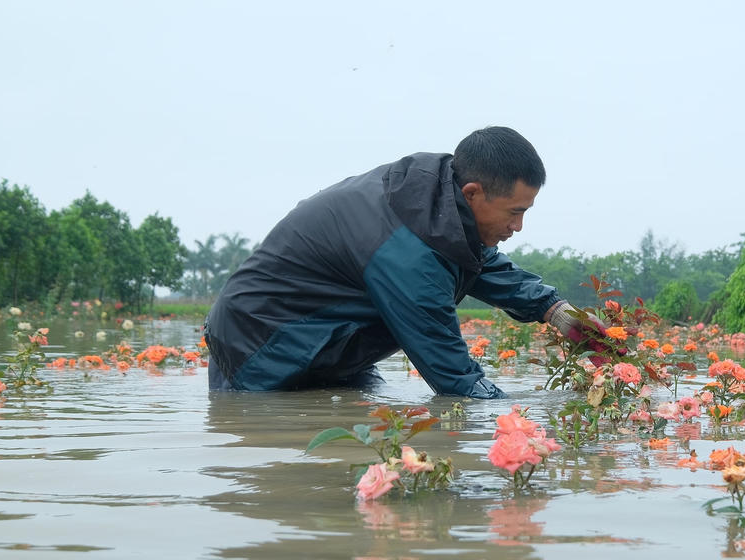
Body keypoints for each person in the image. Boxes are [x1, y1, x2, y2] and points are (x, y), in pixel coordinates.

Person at [203, 126, 598, 397]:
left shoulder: (434, 206)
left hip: (328, 345)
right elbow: (455, 378)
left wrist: (557, 311)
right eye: (514, 211)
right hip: (260, 345)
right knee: (283, 459)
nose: (519, 225)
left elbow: (480, 262)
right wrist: (526, 421)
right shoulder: (406, 251)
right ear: (473, 193)